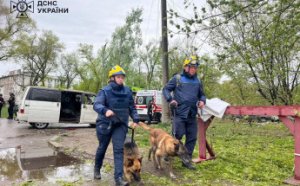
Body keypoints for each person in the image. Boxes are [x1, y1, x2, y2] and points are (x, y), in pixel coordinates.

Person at [93, 65, 139, 186]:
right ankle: (97, 169)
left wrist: (136, 119)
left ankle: (118, 179)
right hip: (105, 124)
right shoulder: (105, 91)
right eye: (118, 77)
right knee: (102, 147)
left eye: (122, 77)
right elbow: (96, 104)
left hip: (121, 124)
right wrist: (105, 110)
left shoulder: (128, 91)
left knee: (118, 150)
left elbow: (132, 107)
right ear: (112, 78)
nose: (121, 79)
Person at [163, 55, 206, 170]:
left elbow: (202, 94)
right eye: (192, 67)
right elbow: (166, 89)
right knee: (177, 136)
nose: (194, 69)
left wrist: (202, 100)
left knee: (192, 137)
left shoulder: (198, 80)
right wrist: (170, 99)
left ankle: (186, 160)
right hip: (179, 113)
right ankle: (167, 152)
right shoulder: (177, 79)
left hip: (192, 114)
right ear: (185, 67)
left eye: (195, 67)